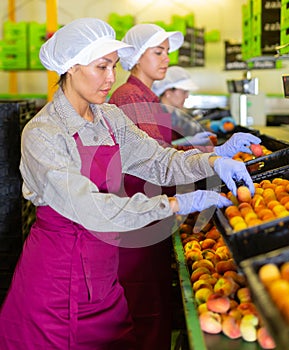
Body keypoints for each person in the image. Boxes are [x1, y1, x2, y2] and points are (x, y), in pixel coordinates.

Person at [0, 18, 257, 350]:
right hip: (57, 283)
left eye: (115, 66)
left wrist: (211, 160)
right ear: (72, 67)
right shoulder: (43, 133)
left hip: (105, 275)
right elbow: (88, 208)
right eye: (102, 66)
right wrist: (174, 204)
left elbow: (158, 161)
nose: (111, 78)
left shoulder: (110, 118)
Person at [109, 23, 261, 350]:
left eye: (167, 52)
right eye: (158, 52)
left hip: (153, 214)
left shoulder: (145, 97)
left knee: (152, 305)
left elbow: (160, 155)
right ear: (136, 57)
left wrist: (211, 154)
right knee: (144, 309)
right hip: (140, 218)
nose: (166, 59)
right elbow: (152, 165)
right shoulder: (128, 98)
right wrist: (203, 166)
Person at [152, 65, 216, 147]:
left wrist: (214, 126)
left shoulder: (176, 113)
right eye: (184, 92)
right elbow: (159, 150)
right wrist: (183, 143)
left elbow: (191, 127)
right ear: (168, 92)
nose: (187, 96)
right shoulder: (158, 115)